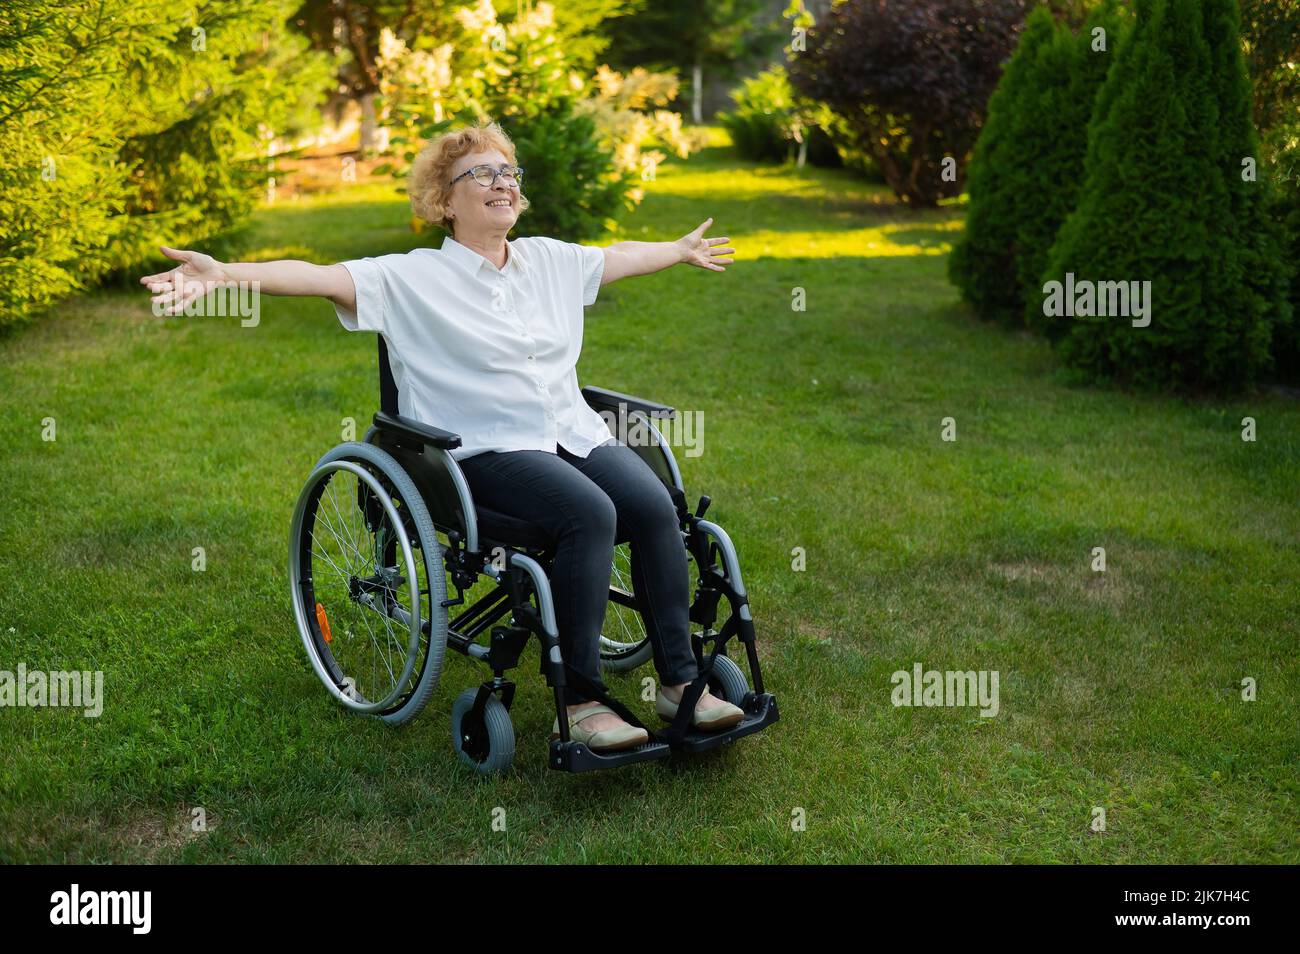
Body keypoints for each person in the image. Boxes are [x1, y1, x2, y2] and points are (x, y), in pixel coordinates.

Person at [140, 120, 742, 752]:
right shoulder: (410, 278)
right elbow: (315, 275)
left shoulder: (549, 261)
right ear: (445, 202)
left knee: (653, 507)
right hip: (481, 452)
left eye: (508, 172)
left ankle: (680, 682)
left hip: (570, 431)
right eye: (480, 174)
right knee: (588, 514)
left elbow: (616, 258)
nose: (501, 183)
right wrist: (223, 275)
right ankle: (581, 702)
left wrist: (675, 249)